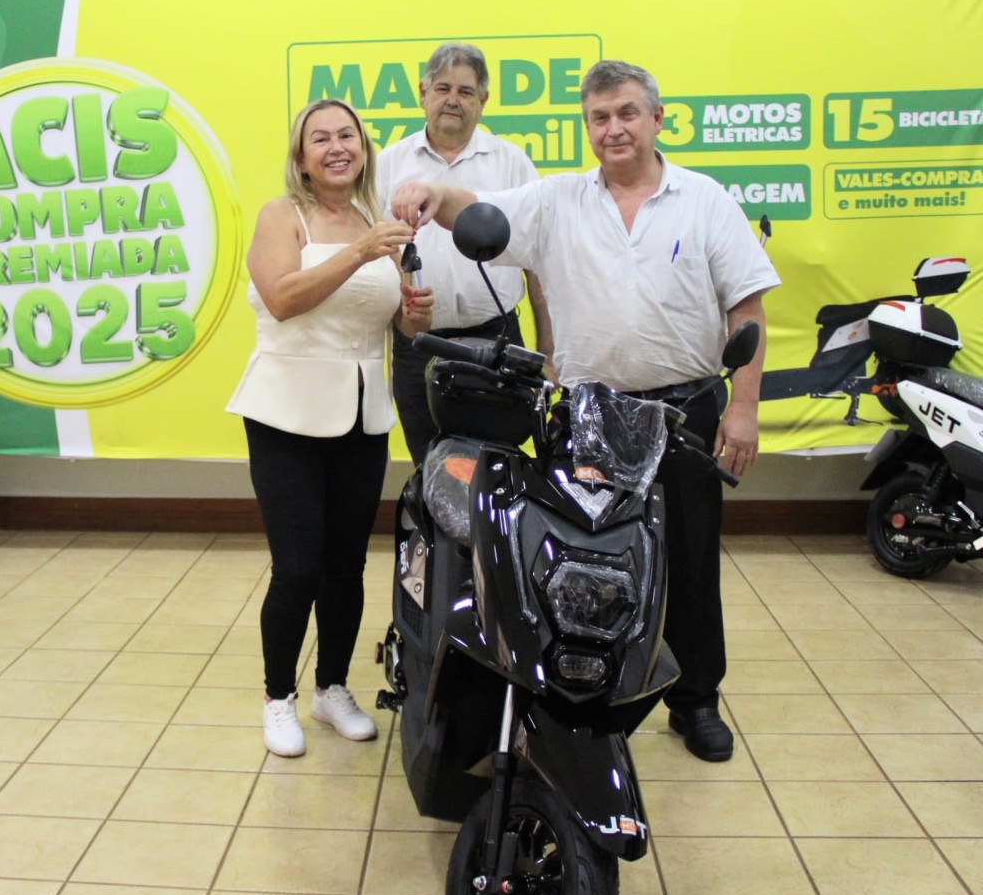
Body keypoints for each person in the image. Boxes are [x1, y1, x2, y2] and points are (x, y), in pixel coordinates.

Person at [390, 60, 780, 762]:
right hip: (586, 417)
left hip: (684, 411)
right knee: (584, 564)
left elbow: (746, 308)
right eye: (599, 118)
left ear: (656, 119)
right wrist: (432, 192)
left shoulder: (705, 200)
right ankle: (583, 700)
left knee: (688, 562)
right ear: (587, 127)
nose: (613, 129)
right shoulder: (558, 201)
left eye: (627, 113)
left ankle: (695, 701)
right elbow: (476, 211)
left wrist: (744, 410)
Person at [227, 98, 433, 756]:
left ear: (364, 149)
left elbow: (399, 321)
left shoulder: (377, 222)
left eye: (348, 135)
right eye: (321, 138)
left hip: (362, 414)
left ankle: (332, 688)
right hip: (286, 412)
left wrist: (415, 313)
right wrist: (361, 251)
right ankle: (278, 697)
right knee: (297, 567)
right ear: (302, 156)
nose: (337, 146)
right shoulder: (281, 215)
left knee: (347, 565)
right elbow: (283, 298)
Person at [375, 41, 552, 466]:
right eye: (442, 88)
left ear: (483, 101)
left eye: (465, 91)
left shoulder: (511, 163)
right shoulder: (386, 166)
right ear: (422, 93)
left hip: (495, 338)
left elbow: (539, 266)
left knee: (499, 466)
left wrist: (547, 348)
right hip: (417, 343)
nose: (452, 100)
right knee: (429, 465)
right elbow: (373, 257)